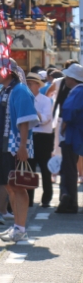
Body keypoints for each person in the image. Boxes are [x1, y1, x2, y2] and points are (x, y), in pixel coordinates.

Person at [0, 57, 39, 243]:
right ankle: (17, 226)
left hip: (15, 146)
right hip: (3, 145)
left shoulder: (20, 91)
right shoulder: (3, 91)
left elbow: (24, 121)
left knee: (18, 186)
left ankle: (21, 228)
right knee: (10, 186)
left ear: (6, 71)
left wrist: (23, 146)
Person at [56, 63, 83, 214]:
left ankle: (70, 201)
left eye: (68, 76)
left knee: (69, 168)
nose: (66, 78)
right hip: (78, 132)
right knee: (70, 167)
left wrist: (64, 125)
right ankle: (69, 199)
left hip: (72, 134)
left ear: (73, 78)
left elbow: (69, 111)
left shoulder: (76, 92)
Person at [26, 72, 54, 208]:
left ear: (38, 85)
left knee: (45, 168)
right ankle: (29, 199)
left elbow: (45, 119)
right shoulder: (24, 100)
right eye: (27, 83)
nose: (28, 86)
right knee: (29, 169)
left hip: (43, 137)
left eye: (31, 83)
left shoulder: (45, 100)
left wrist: (32, 110)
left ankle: (46, 198)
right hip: (29, 136)